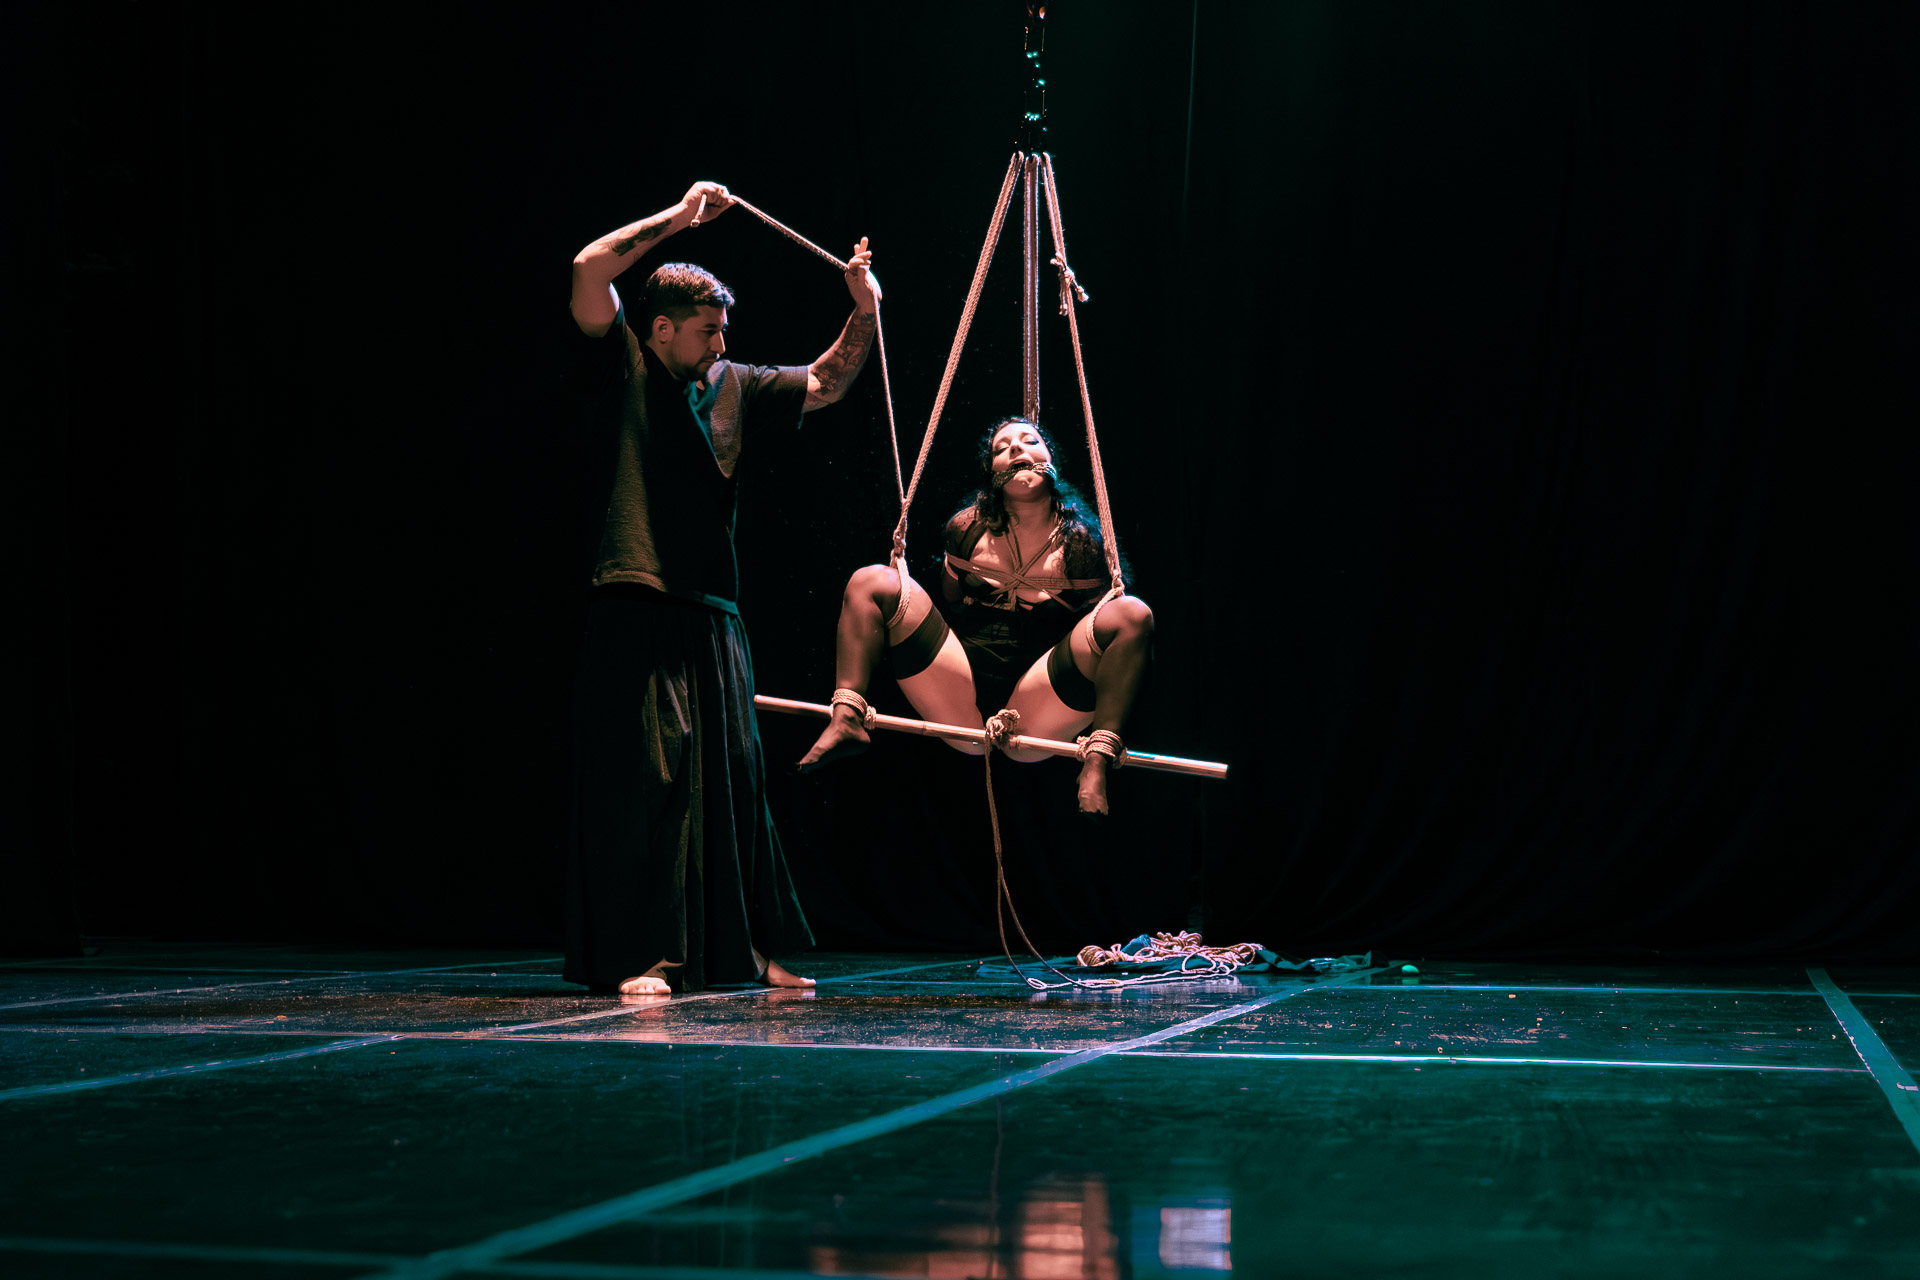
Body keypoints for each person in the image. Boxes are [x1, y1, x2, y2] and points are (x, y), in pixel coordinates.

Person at [564, 180, 879, 996]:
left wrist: (864, 310)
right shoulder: (624, 363)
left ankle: (743, 953)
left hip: (713, 612)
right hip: (635, 602)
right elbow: (590, 266)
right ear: (661, 328)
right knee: (651, 785)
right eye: (707, 330)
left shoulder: (735, 382)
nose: (719, 342)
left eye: (723, 330)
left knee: (734, 782)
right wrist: (677, 217)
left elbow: (828, 382)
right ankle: (641, 955)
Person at [797, 416, 1154, 816]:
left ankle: (1098, 758)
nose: (1016, 449)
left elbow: (1100, 625)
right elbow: (949, 599)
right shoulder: (967, 529)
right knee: (872, 580)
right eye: (1002, 448)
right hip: (960, 681)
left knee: (1132, 614)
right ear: (992, 471)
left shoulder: (1083, 545)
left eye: (1029, 441)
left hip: (1042, 697)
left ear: (1050, 458)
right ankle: (847, 716)